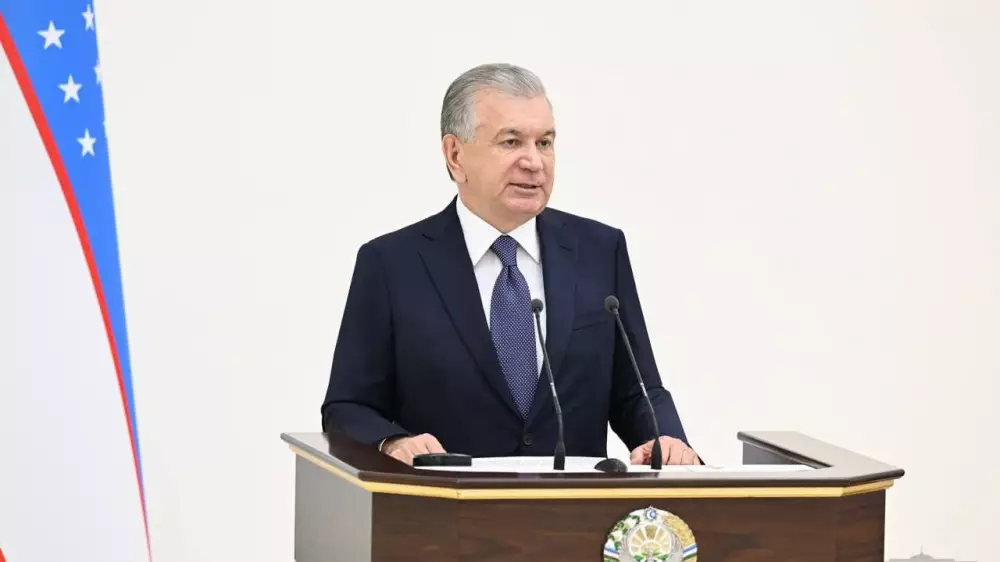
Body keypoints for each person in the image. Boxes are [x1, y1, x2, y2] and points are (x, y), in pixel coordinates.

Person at [321, 63, 699, 467]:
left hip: (573, 503)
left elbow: (636, 390)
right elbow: (348, 407)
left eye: (545, 142)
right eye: (511, 142)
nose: (534, 162)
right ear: (455, 155)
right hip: (443, 502)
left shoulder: (599, 250)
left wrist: (666, 438)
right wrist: (394, 442)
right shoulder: (391, 264)